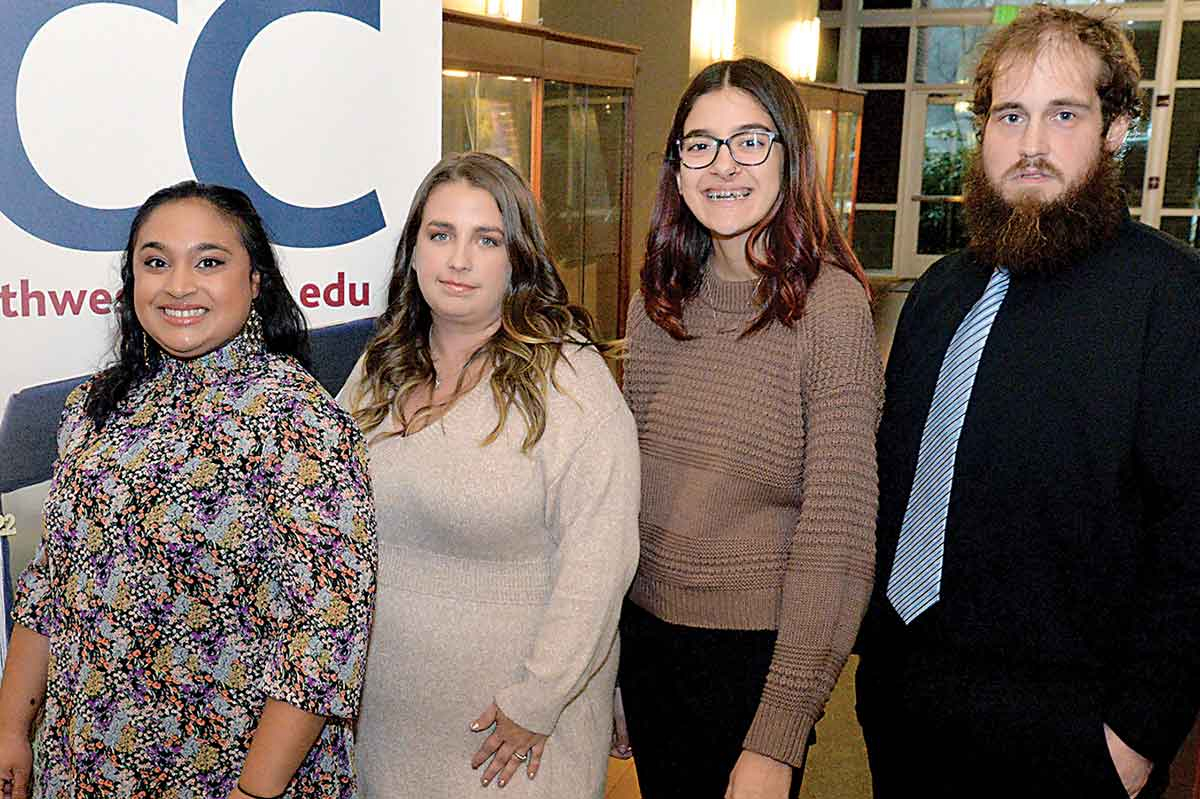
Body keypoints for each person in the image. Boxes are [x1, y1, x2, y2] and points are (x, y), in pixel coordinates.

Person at [855, 7, 1200, 797]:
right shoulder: (940, 292)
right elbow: (899, 486)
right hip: (908, 702)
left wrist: (1136, 732)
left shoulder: (1174, 298)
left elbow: (1193, 538)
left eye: (1064, 114)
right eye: (1010, 115)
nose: (1032, 143)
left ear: (1116, 130)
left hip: (1069, 731)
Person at [0, 182, 378, 798]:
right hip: (84, 768)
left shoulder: (300, 421)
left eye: (208, 262)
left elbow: (325, 633)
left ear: (255, 282)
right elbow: (49, 583)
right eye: (156, 262)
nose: (178, 285)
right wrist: (12, 730)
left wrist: (254, 793)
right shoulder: (92, 407)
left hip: (236, 774)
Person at [618, 57, 883, 799]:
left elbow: (838, 536)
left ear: (789, 157)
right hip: (648, 646)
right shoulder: (656, 301)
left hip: (755, 664)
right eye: (701, 145)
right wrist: (611, 669)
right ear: (677, 169)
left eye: (750, 141)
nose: (724, 165)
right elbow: (623, 503)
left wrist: (778, 733)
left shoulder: (830, 308)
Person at [339, 152, 639, 798]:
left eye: (486, 239)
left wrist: (537, 699)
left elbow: (600, 564)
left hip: (512, 739)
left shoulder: (569, 382)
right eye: (440, 234)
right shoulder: (381, 366)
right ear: (413, 249)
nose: (458, 260)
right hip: (385, 728)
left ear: (518, 258)